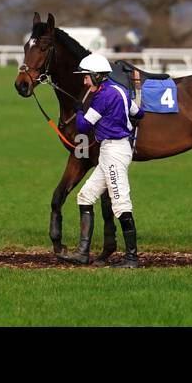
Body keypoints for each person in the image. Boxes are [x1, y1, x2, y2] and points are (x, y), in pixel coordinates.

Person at [64, 52, 143, 268]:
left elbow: (82, 127)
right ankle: (82, 253)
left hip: (114, 153)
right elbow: (139, 113)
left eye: (87, 76)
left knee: (120, 203)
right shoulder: (121, 90)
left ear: (97, 76)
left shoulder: (101, 97)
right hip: (115, 149)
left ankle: (132, 258)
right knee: (85, 196)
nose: (84, 80)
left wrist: (80, 111)